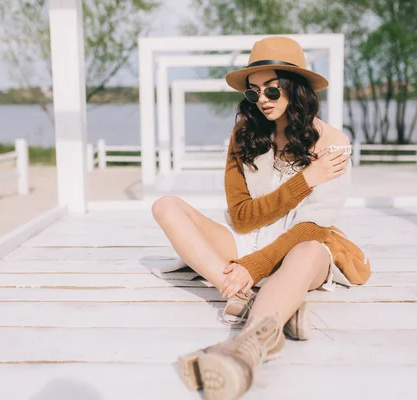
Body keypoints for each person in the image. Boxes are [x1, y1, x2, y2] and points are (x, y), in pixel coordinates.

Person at [151, 36, 371, 400]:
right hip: (245, 239)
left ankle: (245, 351)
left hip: (300, 245)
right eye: (253, 93)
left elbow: (311, 227)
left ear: (294, 88)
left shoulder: (333, 143)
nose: (262, 101)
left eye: (271, 91)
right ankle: (257, 299)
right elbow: (242, 217)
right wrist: (306, 180)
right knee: (165, 206)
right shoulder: (244, 135)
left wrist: (255, 265)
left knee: (312, 249)